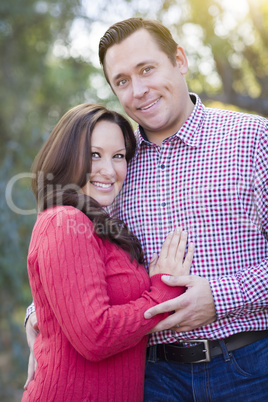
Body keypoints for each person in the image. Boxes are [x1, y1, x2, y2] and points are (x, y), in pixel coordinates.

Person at [25, 17, 268, 400]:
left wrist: (221, 298)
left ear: (180, 61)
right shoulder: (113, 166)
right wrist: (37, 313)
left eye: (147, 69)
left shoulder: (253, 140)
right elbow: (80, 263)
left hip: (248, 365)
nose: (138, 90)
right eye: (122, 81)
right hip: (150, 377)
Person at [22, 102, 195, 401]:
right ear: (67, 156)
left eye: (118, 156)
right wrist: (161, 294)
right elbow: (95, 335)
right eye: (94, 155)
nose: (109, 170)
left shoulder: (98, 224)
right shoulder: (65, 221)